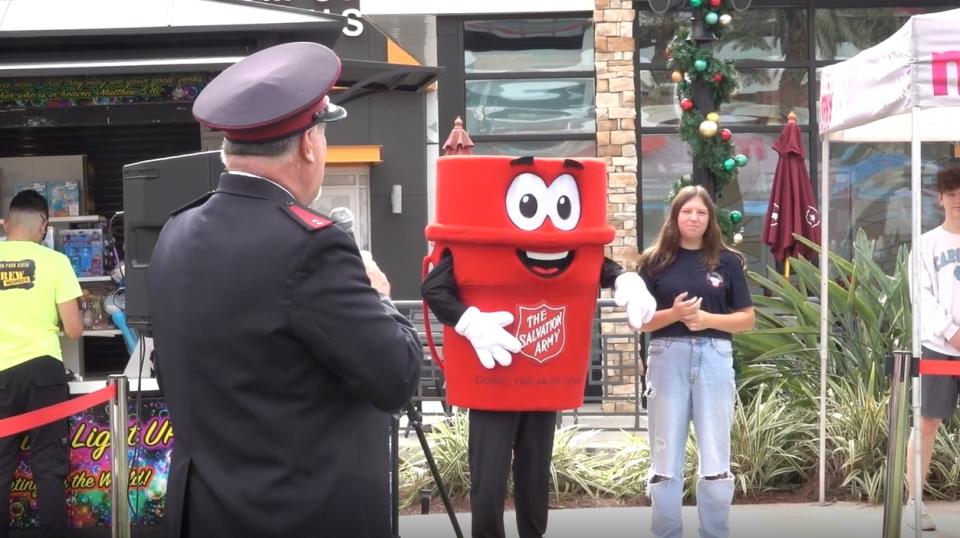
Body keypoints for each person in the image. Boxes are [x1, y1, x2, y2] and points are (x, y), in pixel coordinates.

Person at [148, 42, 422, 538]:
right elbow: (397, 377)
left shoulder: (176, 232)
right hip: (304, 517)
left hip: (204, 516)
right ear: (308, 145)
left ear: (229, 148)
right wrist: (378, 293)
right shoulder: (311, 246)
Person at [422, 251, 655, 538]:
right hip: (494, 381)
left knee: (534, 469)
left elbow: (588, 261)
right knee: (489, 473)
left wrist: (623, 278)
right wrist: (470, 323)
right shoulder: (477, 245)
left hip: (541, 378)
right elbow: (434, 287)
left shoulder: (558, 247)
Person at [637, 185, 755, 538]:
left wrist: (707, 320)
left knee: (716, 455)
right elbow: (642, 322)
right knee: (665, 457)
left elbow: (747, 319)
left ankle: (715, 532)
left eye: (701, 213)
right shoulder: (654, 261)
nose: (693, 217)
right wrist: (673, 313)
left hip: (715, 357)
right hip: (666, 356)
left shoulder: (729, 261)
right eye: (687, 211)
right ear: (674, 216)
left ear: (709, 219)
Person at [0, 190, 82, 538]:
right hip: (44, 373)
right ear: (43, 225)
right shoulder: (56, 262)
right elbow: (75, 330)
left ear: (6, 223)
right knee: (48, 465)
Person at [905, 165, 960, 531]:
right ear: (939, 198)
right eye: (951, 193)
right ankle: (915, 502)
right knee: (927, 423)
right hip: (940, 348)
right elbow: (920, 296)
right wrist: (952, 333)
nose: (957, 200)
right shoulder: (926, 244)